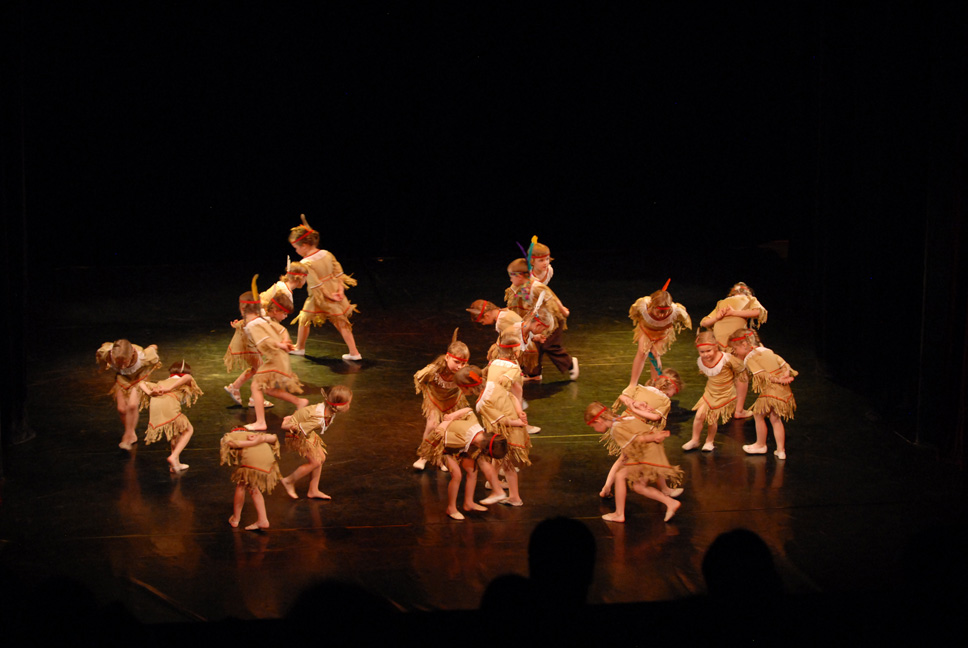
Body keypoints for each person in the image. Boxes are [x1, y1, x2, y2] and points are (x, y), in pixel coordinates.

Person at [415, 372, 509, 520]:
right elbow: (446, 444)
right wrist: (446, 423)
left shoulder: (477, 430)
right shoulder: (461, 440)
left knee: (473, 471)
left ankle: (469, 503)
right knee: (457, 475)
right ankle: (451, 508)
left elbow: (468, 411)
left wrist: (453, 416)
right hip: (445, 447)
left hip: (463, 443)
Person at [596, 370, 685, 522]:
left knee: (625, 461)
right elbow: (655, 417)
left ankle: (609, 491)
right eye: (672, 393)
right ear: (669, 388)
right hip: (634, 429)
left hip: (629, 426)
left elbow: (623, 396)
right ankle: (613, 498)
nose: (671, 396)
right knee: (631, 464)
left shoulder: (640, 389)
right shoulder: (663, 400)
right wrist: (636, 407)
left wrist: (633, 405)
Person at [287, 214, 361, 360]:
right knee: (339, 321)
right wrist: (339, 290)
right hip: (334, 291)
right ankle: (354, 352)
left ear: (304, 245)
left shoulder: (306, 263)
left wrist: (329, 295)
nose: (296, 251)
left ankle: (300, 348)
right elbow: (338, 273)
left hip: (320, 296)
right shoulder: (327, 254)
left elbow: (316, 284)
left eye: (296, 248)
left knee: (305, 318)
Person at [245, 276, 309, 431]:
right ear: (275, 311)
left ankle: (261, 422)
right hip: (277, 359)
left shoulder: (266, 322)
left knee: (255, 386)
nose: (285, 317)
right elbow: (271, 336)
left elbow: (271, 338)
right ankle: (299, 402)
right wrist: (282, 343)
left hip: (277, 359)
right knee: (268, 389)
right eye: (284, 314)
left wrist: (283, 342)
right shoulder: (263, 321)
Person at [476, 329, 531, 506]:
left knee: (499, 454)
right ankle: (514, 497)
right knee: (504, 459)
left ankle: (496, 485)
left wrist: (519, 412)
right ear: (515, 351)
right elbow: (513, 394)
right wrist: (518, 417)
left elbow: (510, 394)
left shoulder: (493, 364)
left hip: (500, 413)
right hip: (504, 415)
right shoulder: (513, 368)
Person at [699, 282, 768, 417]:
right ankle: (738, 410)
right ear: (747, 292)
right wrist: (734, 313)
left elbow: (704, 322)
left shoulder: (722, 302)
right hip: (734, 342)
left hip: (720, 342)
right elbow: (759, 312)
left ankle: (716, 406)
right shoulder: (749, 299)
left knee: (725, 374)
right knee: (741, 374)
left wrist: (718, 317)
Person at [505, 258, 578, 382]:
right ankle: (533, 373)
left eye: (512, 276)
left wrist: (563, 311)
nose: (511, 279)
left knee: (549, 345)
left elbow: (552, 298)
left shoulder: (536, 286)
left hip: (551, 321)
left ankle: (570, 363)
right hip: (537, 320)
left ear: (520, 276)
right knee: (533, 345)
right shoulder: (521, 286)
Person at [728, 328, 796, 459]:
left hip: (772, 391)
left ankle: (761, 445)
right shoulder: (766, 350)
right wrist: (785, 374)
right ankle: (781, 450)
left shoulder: (750, 358)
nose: (734, 352)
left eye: (735, 348)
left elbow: (763, 375)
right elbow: (784, 364)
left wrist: (778, 380)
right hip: (784, 390)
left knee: (758, 414)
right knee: (775, 419)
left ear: (744, 344)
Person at [279, 386, 353, 500]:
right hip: (297, 435)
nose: (349, 406)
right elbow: (297, 428)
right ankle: (289, 480)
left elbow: (306, 414)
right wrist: (287, 423)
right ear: (340, 406)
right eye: (348, 403)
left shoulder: (328, 409)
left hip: (307, 432)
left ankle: (313, 490)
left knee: (321, 458)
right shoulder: (318, 419)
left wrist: (297, 416)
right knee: (315, 462)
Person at [411, 330, 470, 471]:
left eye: (463, 363)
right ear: (447, 357)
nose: (460, 366)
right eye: (456, 362)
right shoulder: (435, 369)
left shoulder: (464, 371)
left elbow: (475, 382)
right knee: (432, 425)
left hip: (453, 401)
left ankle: (442, 458)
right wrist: (425, 391)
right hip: (435, 399)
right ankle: (424, 456)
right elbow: (419, 377)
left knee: (448, 429)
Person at [683, 330, 748, 452]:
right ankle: (695, 440)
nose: (705, 354)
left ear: (716, 347)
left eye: (708, 351)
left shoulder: (726, 359)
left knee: (712, 419)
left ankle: (709, 441)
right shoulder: (702, 360)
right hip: (710, 391)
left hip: (723, 393)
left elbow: (740, 368)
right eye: (702, 352)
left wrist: (737, 380)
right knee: (699, 416)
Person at [96, 339, 161, 450]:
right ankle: (131, 434)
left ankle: (127, 435)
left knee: (132, 405)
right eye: (118, 363)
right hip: (123, 378)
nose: (121, 366)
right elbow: (103, 348)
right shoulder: (108, 353)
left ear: (132, 355)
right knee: (121, 409)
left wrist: (153, 347)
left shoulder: (142, 357)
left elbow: (153, 349)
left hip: (139, 378)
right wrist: (103, 366)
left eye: (125, 363)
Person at [139, 360, 203, 472]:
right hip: (168, 404)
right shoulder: (183, 381)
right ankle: (173, 457)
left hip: (156, 406)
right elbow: (187, 377)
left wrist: (150, 393)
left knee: (175, 433)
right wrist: (169, 389)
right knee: (188, 430)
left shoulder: (162, 382)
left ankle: (175, 465)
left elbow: (141, 383)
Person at [627, 284, 691, 389]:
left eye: (665, 312)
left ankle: (655, 384)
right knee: (642, 352)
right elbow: (634, 312)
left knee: (655, 354)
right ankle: (632, 383)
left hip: (662, 332)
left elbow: (685, 319)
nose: (661, 315)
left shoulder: (676, 311)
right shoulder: (643, 306)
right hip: (646, 329)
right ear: (652, 306)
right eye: (658, 312)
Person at [221, 427, 281, 531]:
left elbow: (230, 443)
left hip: (253, 458)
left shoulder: (229, 435)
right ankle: (262, 519)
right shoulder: (254, 434)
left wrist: (252, 443)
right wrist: (261, 439)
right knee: (250, 485)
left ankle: (236, 519)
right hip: (268, 458)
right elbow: (274, 438)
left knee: (242, 484)